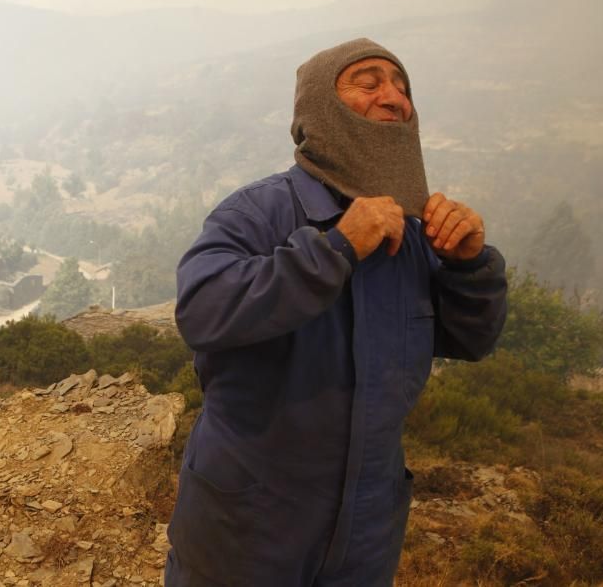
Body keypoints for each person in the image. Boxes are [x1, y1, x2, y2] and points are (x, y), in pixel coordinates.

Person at [164, 38, 508, 586]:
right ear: (321, 110)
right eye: (368, 83)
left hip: (366, 530)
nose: (394, 98)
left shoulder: (416, 235)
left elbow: (472, 340)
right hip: (246, 525)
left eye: (402, 87)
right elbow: (201, 311)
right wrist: (336, 249)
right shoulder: (258, 212)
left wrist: (470, 266)